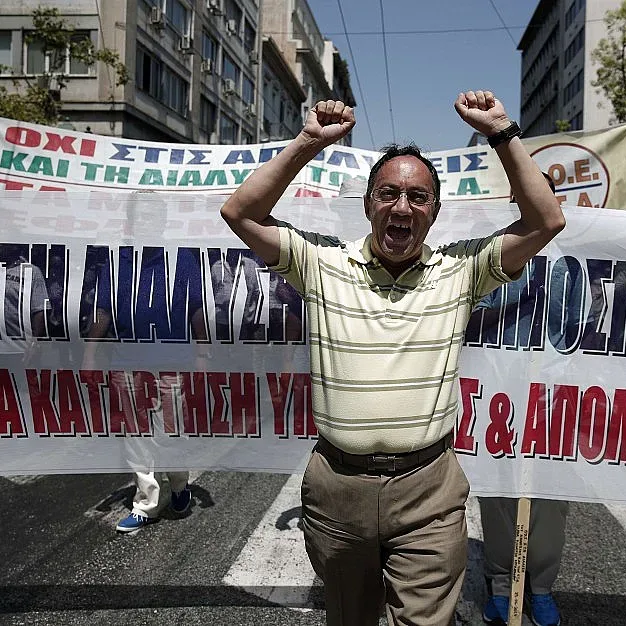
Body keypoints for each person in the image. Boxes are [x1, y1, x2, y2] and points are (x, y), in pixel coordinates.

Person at [220, 91, 565, 625]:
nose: (402, 207)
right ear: (368, 204)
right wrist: (310, 141)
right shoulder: (320, 263)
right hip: (338, 489)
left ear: (434, 212)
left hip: (428, 490)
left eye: (418, 197)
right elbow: (240, 212)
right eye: (388, 193)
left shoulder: (462, 269)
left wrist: (501, 132)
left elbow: (545, 221)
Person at [83, 201, 209, 533]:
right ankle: (145, 504)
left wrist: (202, 353)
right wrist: (90, 353)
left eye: (155, 214)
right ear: (131, 221)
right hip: (127, 362)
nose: (149, 220)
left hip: (173, 363)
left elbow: (196, 308)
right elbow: (104, 310)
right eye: (142, 215)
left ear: (163, 220)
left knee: (171, 430)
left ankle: (180, 485)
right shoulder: (117, 261)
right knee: (135, 436)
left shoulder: (180, 258)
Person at [478, 173, 567, 626]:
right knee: (497, 495)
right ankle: (499, 579)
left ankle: (541, 585)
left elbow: (583, 329)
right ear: (514, 199)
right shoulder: (494, 250)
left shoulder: (572, 260)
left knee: (549, 497)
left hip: (551, 400)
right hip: (497, 394)